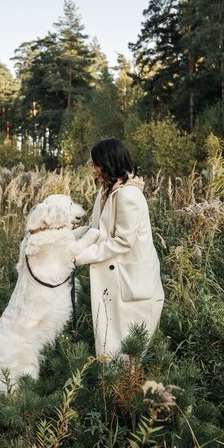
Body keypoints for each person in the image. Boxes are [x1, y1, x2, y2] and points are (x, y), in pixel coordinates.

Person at [75, 137, 164, 357]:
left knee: (127, 348)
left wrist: (80, 257)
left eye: (96, 164)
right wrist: (66, 241)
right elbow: (98, 230)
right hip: (115, 279)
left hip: (130, 281)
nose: (93, 169)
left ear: (108, 162)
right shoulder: (107, 190)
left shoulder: (129, 195)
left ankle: (125, 389)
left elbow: (123, 241)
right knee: (112, 344)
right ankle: (114, 387)